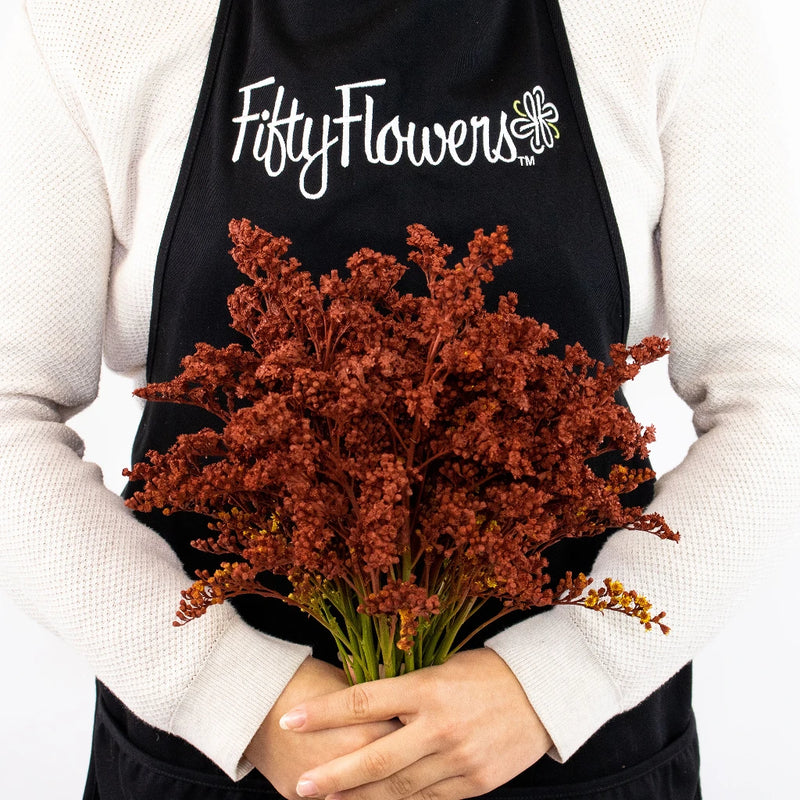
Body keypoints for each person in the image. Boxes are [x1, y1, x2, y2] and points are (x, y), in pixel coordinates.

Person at [0, 1, 797, 799]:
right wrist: (230, 691)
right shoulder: (93, 23)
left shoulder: (675, 17)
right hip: (217, 756)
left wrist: (563, 677)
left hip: (571, 751)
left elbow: (775, 395)